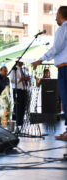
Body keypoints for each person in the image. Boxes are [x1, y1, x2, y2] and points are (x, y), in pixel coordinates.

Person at [32, 6, 67, 141]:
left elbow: (56, 48)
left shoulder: (62, 29)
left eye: (57, 15)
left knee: (65, 99)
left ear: (61, 15)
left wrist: (41, 60)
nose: (55, 18)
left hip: (64, 68)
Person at [10, 62, 30, 126]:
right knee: (17, 106)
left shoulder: (23, 69)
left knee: (23, 106)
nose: (22, 63)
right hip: (17, 90)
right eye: (21, 62)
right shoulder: (14, 69)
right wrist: (21, 79)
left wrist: (27, 79)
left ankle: (21, 122)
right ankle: (16, 122)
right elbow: (12, 80)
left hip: (24, 89)